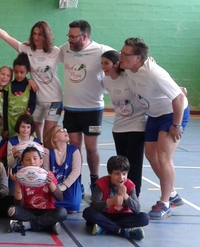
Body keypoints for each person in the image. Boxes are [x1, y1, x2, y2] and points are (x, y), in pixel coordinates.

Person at [118, 37, 190, 220]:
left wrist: (176, 125)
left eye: (126, 54)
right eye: (122, 52)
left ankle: (165, 203)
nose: (121, 56)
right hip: (155, 115)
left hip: (172, 113)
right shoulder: (129, 68)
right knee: (151, 154)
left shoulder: (153, 73)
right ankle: (172, 193)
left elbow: (179, 98)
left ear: (138, 58)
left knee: (164, 156)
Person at [0, 6, 62, 141]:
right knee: (36, 136)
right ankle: (38, 161)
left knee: (49, 136)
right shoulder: (26, 49)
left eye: (40, 34)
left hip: (54, 100)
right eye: (34, 33)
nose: (36, 37)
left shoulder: (55, 52)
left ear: (46, 35)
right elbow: (5, 36)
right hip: (36, 100)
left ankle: (47, 161)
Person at [59, 20, 113, 191]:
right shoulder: (65, 49)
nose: (70, 40)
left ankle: (95, 182)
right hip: (70, 109)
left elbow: (124, 62)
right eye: (69, 36)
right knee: (74, 150)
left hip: (92, 109)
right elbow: (45, 55)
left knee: (91, 149)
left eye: (73, 37)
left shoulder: (101, 50)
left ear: (84, 37)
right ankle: (77, 182)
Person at [101, 50, 147, 197]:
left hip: (137, 124)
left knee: (134, 164)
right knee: (121, 166)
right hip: (119, 127)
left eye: (106, 63)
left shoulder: (129, 76)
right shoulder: (105, 80)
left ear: (116, 64)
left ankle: (134, 195)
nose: (103, 66)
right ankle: (120, 194)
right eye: (102, 63)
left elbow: (152, 80)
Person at [83, 156, 148, 240]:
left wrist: (126, 196)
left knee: (144, 218)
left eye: (124, 174)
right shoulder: (101, 183)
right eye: (117, 174)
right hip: (105, 215)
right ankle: (122, 231)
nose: (121, 178)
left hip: (122, 215)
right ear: (110, 173)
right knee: (88, 212)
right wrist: (110, 201)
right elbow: (94, 205)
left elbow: (137, 209)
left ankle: (105, 228)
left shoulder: (130, 185)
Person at [7, 147, 67, 235]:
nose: (32, 162)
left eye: (35, 158)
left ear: (41, 161)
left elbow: (60, 197)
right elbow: (18, 204)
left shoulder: (48, 175)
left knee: (62, 212)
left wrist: (50, 184)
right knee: (12, 210)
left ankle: (27, 225)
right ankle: (49, 225)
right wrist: (17, 184)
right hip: (28, 210)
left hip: (47, 210)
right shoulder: (21, 177)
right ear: (22, 163)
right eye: (28, 159)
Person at [43, 125, 82, 213]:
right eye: (61, 130)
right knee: (49, 204)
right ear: (54, 138)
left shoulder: (74, 150)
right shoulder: (48, 152)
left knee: (73, 207)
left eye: (65, 129)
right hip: (53, 186)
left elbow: (76, 171)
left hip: (70, 184)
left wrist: (64, 186)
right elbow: (47, 172)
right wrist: (55, 188)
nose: (65, 131)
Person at [4, 53, 36, 138]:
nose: (18, 75)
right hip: (11, 124)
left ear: (27, 71)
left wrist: (29, 113)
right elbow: (5, 107)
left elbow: (33, 103)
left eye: (22, 72)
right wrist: (5, 128)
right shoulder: (8, 87)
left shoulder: (30, 86)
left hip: (25, 123)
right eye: (16, 72)